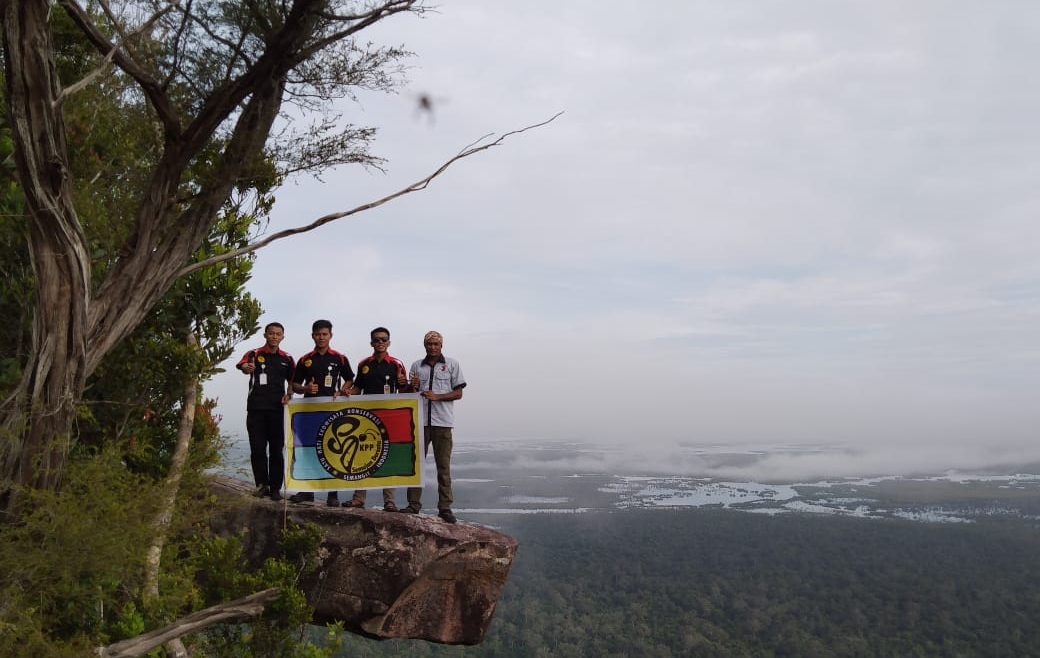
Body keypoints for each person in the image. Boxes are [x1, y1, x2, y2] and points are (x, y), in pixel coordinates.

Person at [288, 319, 355, 506]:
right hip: (308, 410)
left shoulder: (339, 358)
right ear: (312, 336)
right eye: (317, 334)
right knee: (307, 450)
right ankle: (306, 491)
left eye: (324, 334)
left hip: (331, 410)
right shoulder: (305, 359)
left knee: (332, 450)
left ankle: (332, 495)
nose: (321, 337)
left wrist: (342, 390)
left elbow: (349, 379)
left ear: (330, 336)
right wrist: (305, 390)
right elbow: (294, 384)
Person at [344, 326, 411, 511]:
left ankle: (389, 500)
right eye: (376, 339)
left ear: (389, 342)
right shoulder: (364, 364)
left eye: (383, 339)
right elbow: (358, 388)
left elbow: (405, 392)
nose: (380, 342)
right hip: (367, 417)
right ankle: (359, 498)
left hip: (389, 417)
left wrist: (404, 384)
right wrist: (348, 392)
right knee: (363, 454)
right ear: (371, 343)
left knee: (387, 456)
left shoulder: (397, 364)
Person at [403, 330, 466, 523]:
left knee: (443, 467)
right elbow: (409, 394)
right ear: (424, 345)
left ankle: (445, 507)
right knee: (415, 466)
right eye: (429, 344)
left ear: (441, 346)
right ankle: (413, 505)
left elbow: (458, 393)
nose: (432, 347)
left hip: (443, 423)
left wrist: (437, 396)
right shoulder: (416, 366)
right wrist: (412, 387)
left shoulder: (452, 364)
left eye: (436, 344)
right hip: (419, 422)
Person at [236, 322, 294, 501]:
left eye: (278, 334)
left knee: (277, 450)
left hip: (278, 410)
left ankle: (276, 488)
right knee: (258, 450)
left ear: (282, 337)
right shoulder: (254, 353)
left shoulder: (288, 358)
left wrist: (289, 394)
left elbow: (293, 381)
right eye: (271, 333)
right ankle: (262, 486)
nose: (275, 337)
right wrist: (246, 368)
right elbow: (242, 365)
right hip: (256, 409)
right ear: (265, 335)